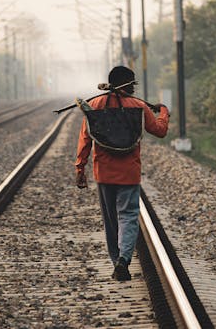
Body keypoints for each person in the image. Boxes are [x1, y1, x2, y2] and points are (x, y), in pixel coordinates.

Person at [75, 66, 169, 281]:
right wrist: (163, 112)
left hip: (104, 173)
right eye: (133, 85)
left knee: (110, 221)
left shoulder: (95, 106)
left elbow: (85, 139)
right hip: (129, 173)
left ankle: (116, 259)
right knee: (128, 216)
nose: (135, 90)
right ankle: (123, 260)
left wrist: (80, 168)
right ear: (128, 85)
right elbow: (160, 131)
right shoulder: (138, 106)